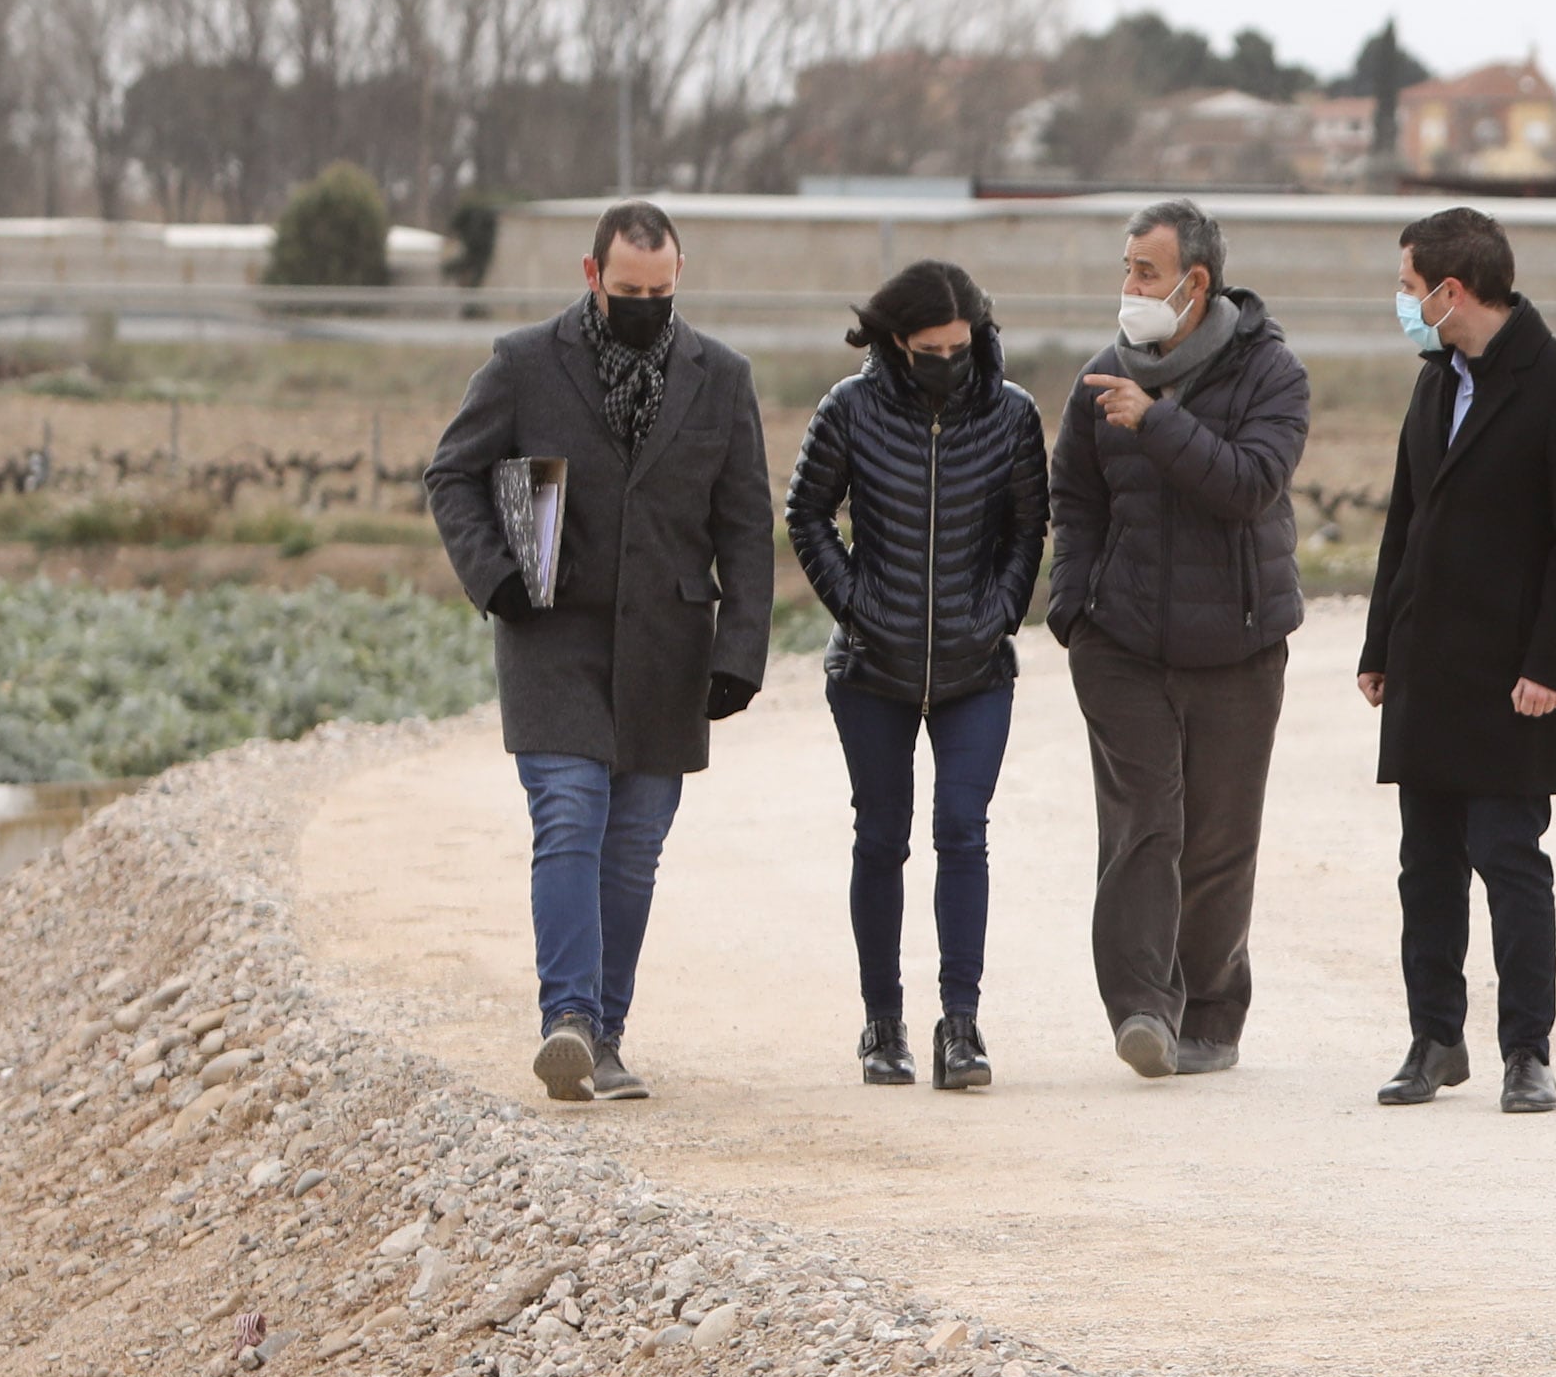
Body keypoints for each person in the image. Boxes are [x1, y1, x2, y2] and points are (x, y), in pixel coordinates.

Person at [426, 198, 773, 1104]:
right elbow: (453, 473)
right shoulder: (524, 365)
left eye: (661, 290)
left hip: (669, 649)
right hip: (552, 636)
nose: (646, 304)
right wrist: (494, 575)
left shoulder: (722, 379)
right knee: (570, 819)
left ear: (679, 277)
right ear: (592, 277)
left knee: (632, 852)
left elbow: (744, 527)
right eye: (629, 290)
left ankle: (606, 1036)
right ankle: (568, 1022)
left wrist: (741, 648)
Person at [1355, 206, 1556, 1115]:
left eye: (1406, 285)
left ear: (1450, 290)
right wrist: (1380, 642)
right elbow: (1406, 519)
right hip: (1428, 668)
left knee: (1509, 858)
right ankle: (1434, 1038)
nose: (1402, 300)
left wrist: (1553, 664)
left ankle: (1526, 1051)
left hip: (1515, 678)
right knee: (1424, 863)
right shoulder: (1437, 380)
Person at [1045, 198, 1312, 1080]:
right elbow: (1075, 506)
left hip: (1239, 646)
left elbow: (1248, 484)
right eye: (1126, 268)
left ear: (1196, 284)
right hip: (1120, 646)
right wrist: (1074, 611)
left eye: (1146, 272)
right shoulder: (1099, 382)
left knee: (1219, 839)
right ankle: (1141, 1010)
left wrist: (1156, 421)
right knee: (1143, 828)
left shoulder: (1272, 375)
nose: (1129, 287)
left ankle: (1212, 1015)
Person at [783, 259, 1049, 1092]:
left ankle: (961, 1027)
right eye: (931, 347)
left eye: (960, 345)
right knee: (881, 838)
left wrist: (999, 611)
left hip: (977, 668)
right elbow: (805, 511)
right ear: (898, 343)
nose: (948, 359)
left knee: (963, 831)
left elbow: (1028, 527)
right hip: (872, 668)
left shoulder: (1012, 416)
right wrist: (857, 604)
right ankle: (883, 1024)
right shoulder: (850, 408)